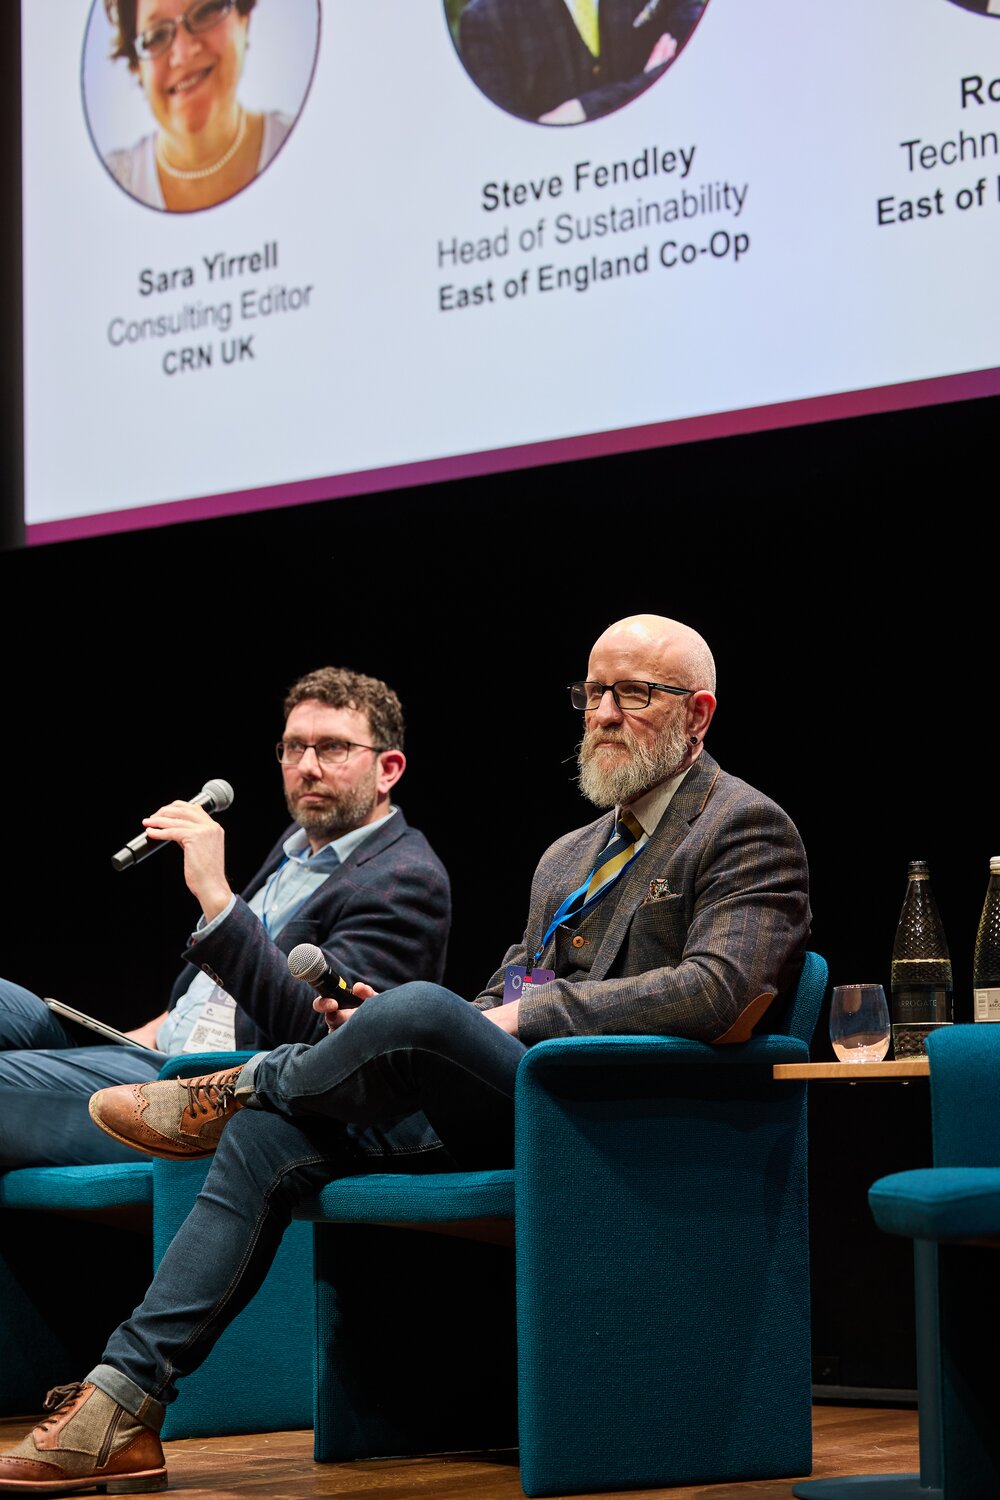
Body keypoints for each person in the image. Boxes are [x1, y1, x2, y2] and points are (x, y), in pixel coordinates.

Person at [0, 614, 811, 1495]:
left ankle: (248, 1082)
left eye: (635, 694)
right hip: (517, 1106)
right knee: (274, 1134)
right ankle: (122, 1406)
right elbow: (503, 993)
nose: (605, 713)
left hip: (618, 1119)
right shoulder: (569, 855)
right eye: (593, 693)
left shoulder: (743, 825)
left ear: (698, 713)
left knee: (413, 1012)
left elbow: (721, 992)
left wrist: (515, 1016)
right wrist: (397, 1023)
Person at [0, 665, 451, 1168]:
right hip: (150, 1052)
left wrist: (217, 897)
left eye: (333, 748)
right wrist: (138, 1036)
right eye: (294, 747)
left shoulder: (407, 879)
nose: (307, 766)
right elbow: (218, 993)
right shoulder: (295, 847)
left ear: (388, 769)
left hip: (208, 1091)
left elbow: (326, 1040)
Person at [101, 0, 293, 212]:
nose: (184, 55)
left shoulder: (305, 148)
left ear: (244, 18)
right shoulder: (106, 191)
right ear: (137, 67)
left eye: (205, 11)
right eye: (157, 36)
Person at [456, 0, 706, 125]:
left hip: (661, 179)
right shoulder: (485, 21)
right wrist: (649, 82)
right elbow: (507, 151)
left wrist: (583, 110)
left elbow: (699, 60)